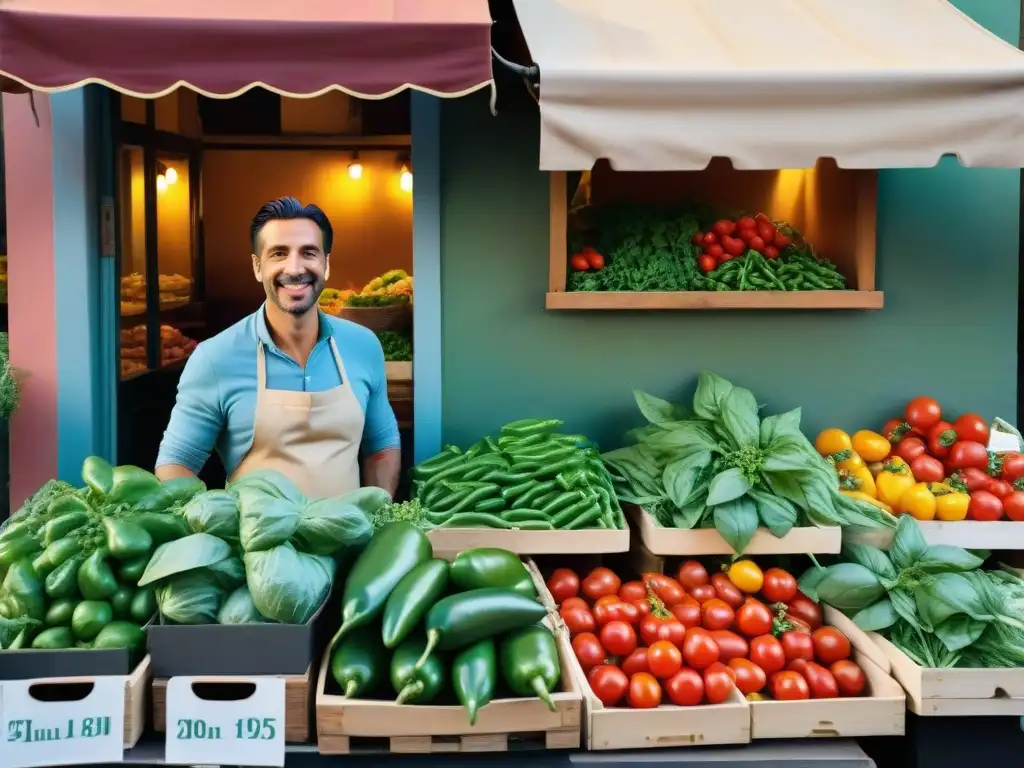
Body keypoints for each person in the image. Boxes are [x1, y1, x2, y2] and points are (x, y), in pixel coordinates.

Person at [154, 197, 401, 497]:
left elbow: (382, 445)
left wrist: (380, 516)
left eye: (308, 252)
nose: (294, 269)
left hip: (351, 542)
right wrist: (214, 525)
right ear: (258, 266)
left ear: (326, 265)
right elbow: (175, 465)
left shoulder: (363, 346)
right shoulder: (215, 358)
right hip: (255, 543)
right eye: (279, 253)